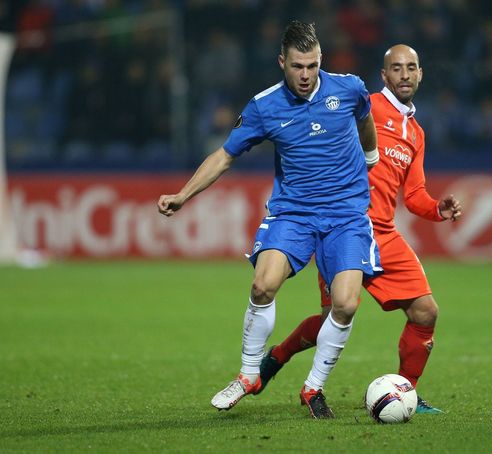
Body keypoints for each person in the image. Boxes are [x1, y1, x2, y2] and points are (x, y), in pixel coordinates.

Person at [157, 21, 382, 419]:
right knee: (262, 285)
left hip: (346, 214)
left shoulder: (348, 88)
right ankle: (248, 376)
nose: (305, 75)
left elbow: (365, 118)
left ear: (320, 61)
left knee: (345, 304)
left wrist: (370, 158)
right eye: (297, 66)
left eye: (312, 66)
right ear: (282, 62)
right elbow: (225, 155)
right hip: (293, 213)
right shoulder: (265, 106)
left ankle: (313, 387)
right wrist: (183, 194)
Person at [257, 44, 462, 414]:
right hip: (343, 225)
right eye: (396, 68)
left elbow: (413, 195)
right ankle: (277, 358)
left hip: (383, 232)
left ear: (420, 74)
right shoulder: (360, 105)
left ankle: (406, 392)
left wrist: (437, 209)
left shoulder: (415, 133)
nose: (404, 74)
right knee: (331, 318)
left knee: (426, 312)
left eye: (411, 67)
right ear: (384, 76)